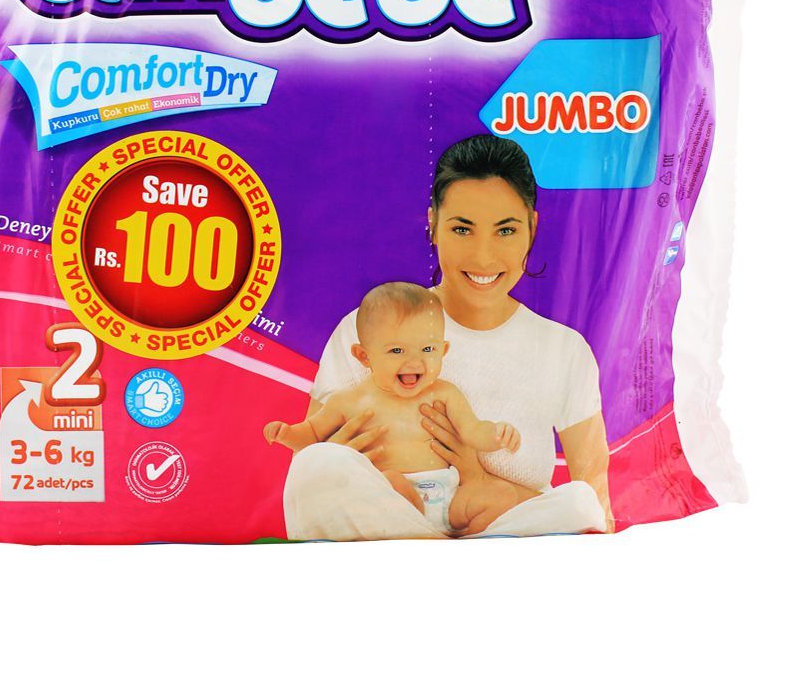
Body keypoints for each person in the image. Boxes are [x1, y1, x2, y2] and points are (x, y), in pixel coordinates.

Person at [282, 135, 614, 540]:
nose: (483, 257)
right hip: (384, 538)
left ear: (532, 227)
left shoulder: (564, 350)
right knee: (315, 468)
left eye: (506, 230)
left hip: (502, 542)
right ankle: (438, 555)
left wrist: (478, 478)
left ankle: (442, 556)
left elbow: (597, 506)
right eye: (462, 229)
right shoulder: (366, 328)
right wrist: (344, 462)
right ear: (433, 224)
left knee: (580, 503)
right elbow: (311, 467)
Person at [263, 282, 529, 535]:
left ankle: (464, 540)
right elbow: (313, 435)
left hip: (449, 498)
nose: (414, 361)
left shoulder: (445, 393)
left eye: (427, 349)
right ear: (364, 356)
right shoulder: (349, 401)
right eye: (397, 351)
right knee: (390, 481)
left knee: (502, 494)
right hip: (393, 499)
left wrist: (496, 435)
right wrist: (288, 434)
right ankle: (419, 535)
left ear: (443, 350)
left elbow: (472, 430)